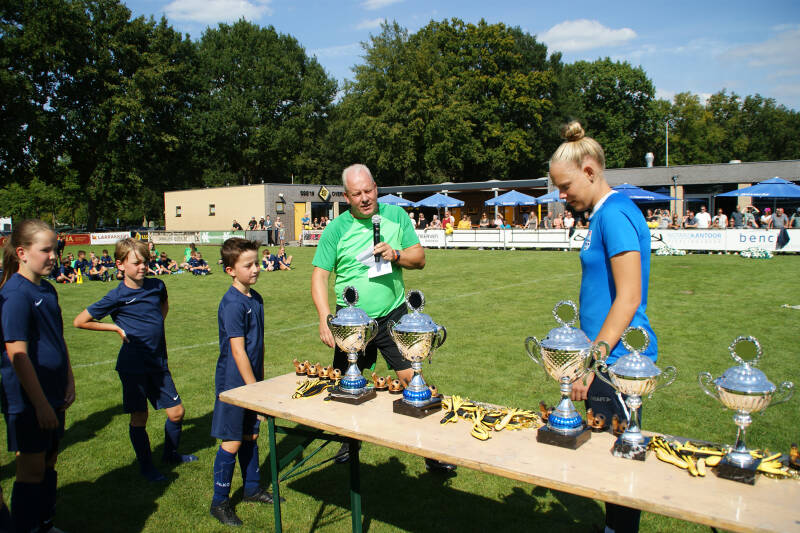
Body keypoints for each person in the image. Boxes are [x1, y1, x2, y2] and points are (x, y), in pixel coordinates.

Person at [549, 121, 657, 533]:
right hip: (604, 356)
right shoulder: (601, 216)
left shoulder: (615, 215)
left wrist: (593, 363)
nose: (561, 196)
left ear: (590, 171)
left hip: (619, 362)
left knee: (619, 464)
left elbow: (629, 297)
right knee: (605, 462)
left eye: (565, 186)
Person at [311, 164, 454, 473]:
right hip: (352, 324)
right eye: (357, 194)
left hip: (392, 316)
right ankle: (348, 445)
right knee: (347, 387)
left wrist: (396, 255)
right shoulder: (336, 228)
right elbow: (319, 276)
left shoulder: (397, 216)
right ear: (347, 196)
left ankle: (433, 452)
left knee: (411, 381)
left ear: (376, 187)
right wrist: (325, 318)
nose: (365, 198)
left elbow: (420, 258)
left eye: (369, 191)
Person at [73, 238, 198, 482]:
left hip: (158, 362)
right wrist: (116, 329)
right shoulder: (116, 296)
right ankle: (146, 467)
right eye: (136, 262)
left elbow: (164, 306)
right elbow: (80, 321)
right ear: (120, 265)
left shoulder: (157, 286)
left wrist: (155, 327)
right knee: (140, 417)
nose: (142, 267)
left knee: (176, 412)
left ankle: (170, 454)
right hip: (133, 366)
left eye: (145, 262)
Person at [1, 220, 76, 533]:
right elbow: (16, 354)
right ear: (22, 252)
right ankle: (24, 527)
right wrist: (41, 404)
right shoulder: (15, 294)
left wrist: (69, 378)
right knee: (31, 471)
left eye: (54, 249)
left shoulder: (47, 288)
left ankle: (44, 524)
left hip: (53, 392)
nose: (53, 256)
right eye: (45, 250)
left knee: (48, 461)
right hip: (30, 399)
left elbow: (57, 339)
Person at [209, 238, 276, 526]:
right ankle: (219, 502)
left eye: (257, 262)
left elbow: (255, 346)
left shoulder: (255, 299)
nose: (256, 269)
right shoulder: (232, 304)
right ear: (230, 271)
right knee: (233, 440)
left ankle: (251, 488)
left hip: (252, 380)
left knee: (251, 435)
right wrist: (253, 391)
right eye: (248, 265)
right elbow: (237, 350)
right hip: (235, 384)